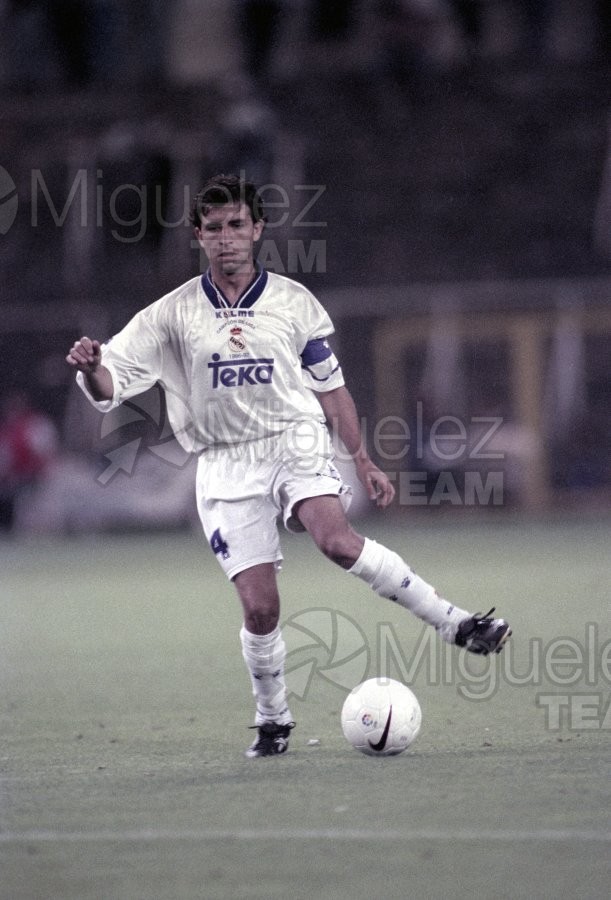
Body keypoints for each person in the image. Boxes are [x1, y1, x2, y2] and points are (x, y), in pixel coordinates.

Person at [66, 174, 511, 758]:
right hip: (224, 464)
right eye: (215, 228)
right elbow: (111, 381)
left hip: (293, 442)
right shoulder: (168, 317)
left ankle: (456, 623)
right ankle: (273, 718)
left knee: (336, 541)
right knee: (260, 608)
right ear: (198, 235)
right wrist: (93, 364)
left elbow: (333, 391)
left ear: (257, 230)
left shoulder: (294, 303)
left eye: (237, 226)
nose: (227, 238)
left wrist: (361, 455)